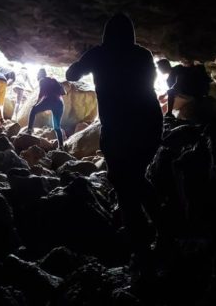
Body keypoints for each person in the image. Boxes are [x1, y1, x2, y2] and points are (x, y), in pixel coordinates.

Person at [66, 13, 163, 257]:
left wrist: (83, 58)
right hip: (149, 120)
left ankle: (140, 243)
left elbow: (71, 75)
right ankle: (162, 227)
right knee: (134, 175)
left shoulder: (99, 53)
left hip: (120, 123)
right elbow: (149, 80)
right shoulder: (142, 53)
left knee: (122, 178)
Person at [24, 68, 66, 148]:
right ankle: (61, 146)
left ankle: (29, 130)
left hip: (49, 101)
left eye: (38, 74)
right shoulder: (53, 80)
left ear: (40, 75)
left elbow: (41, 94)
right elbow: (64, 92)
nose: (37, 76)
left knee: (33, 110)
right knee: (57, 127)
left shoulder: (42, 80)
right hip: (59, 104)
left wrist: (36, 104)